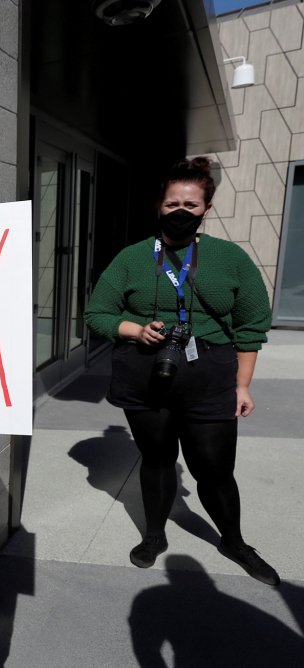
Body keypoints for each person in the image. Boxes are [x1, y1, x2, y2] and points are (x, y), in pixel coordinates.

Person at [84, 157, 278, 585]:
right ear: (159, 207)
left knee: (213, 468)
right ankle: (154, 535)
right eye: (173, 203)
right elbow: (97, 313)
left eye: (191, 204)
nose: (180, 211)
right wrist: (134, 328)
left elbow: (251, 324)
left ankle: (234, 541)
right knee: (156, 460)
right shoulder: (133, 258)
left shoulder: (229, 258)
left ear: (206, 208)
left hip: (210, 376)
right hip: (145, 375)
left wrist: (242, 385)